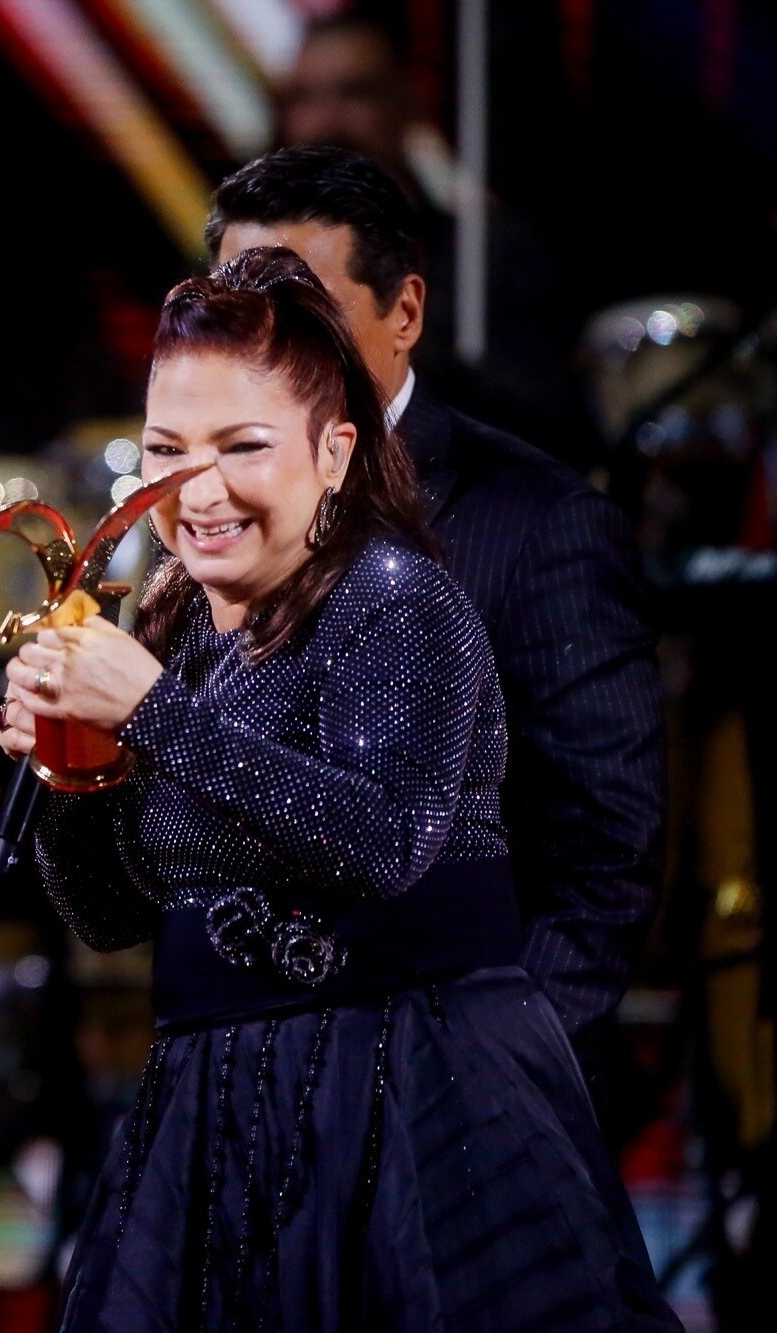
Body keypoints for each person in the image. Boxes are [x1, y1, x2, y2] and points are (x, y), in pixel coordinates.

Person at [0, 248, 674, 1328]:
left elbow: (383, 838)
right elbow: (109, 914)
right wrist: (67, 767)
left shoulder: (399, 601)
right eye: (166, 450)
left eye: (242, 446)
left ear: (334, 451)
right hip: (212, 1104)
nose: (195, 489)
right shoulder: (172, 627)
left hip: (411, 1100)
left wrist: (154, 715)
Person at [204, 145, 665, 1110]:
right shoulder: (200, 526)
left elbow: (601, 861)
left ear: (405, 311)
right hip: (239, 1099)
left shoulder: (539, 525)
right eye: (240, 313)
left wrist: (490, 1085)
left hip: (453, 1111)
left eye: (307, 309)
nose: (268, 348)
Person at [279, 13, 574, 445]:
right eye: (304, 99)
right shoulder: (247, 263)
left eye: (356, 93)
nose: (328, 122)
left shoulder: (488, 254)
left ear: (408, 101)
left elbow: (540, 418)